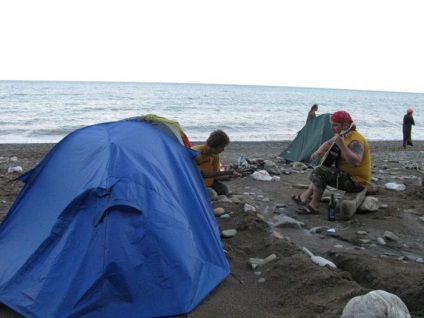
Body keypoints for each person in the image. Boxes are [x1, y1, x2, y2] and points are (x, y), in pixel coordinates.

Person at [291, 110, 371, 214]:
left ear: (345, 124)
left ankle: (313, 206)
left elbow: (355, 162)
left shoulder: (355, 141)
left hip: (356, 181)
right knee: (321, 168)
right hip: (348, 175)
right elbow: (328, 143)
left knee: (320, 171)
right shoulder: (343, 134)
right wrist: (319, 151)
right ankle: (304, 196)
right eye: (331, 124)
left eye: (335, 125)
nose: (331, 128)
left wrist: (342, 146)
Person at [192, 130, 240, 198]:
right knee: (212, 195)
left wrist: (230, 175)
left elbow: (216, 175)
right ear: (214, 145)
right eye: (221, 147)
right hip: (192, 183)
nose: (223, 150)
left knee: (224, 190)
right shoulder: (195, 152)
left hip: (205, 182)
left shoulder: (215, 156)